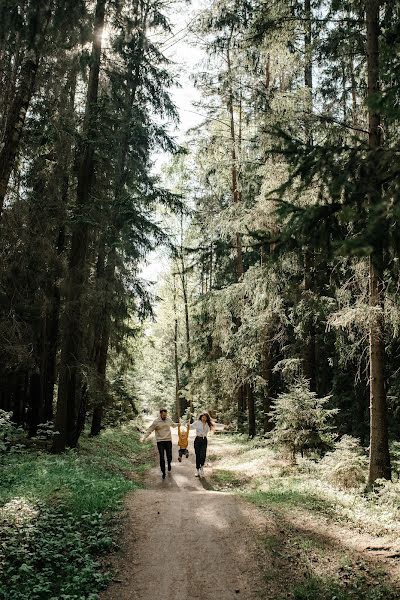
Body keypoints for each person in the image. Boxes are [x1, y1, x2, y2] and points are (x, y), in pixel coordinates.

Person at [142, 408, 177, 479]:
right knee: (161, 457)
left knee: (169, 455)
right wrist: (144, 437)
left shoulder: (168, 419)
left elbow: (173, 425)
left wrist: (178, 424)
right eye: (163, 415)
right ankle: (163, 471)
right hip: (160, 441)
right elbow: (150, 430)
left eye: (166, 415)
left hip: (168, 440)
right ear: (160, 414)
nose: (165, 416)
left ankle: (169, 463)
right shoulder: (156, 422)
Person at [190, 412, 214, 477]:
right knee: (198, 455)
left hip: (204, 440)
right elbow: (191, 427)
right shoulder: (197, 422)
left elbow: (213, 428)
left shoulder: (207, 424)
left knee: (203, 455)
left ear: (207, 418)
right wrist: (187, 425)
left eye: (205, 417)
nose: (204, 418)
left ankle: (202, 468)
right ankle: (197, 470)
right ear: (201, 417)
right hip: (197, 439)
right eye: (203, 417)